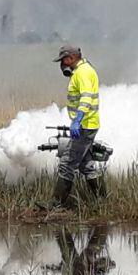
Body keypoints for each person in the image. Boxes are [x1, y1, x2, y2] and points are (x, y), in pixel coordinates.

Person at [48, 44, 102, 209]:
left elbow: (86, 98)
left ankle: (56, 205)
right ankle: (102, 201)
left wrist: (77, 120)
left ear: (70, 58)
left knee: (67, 164)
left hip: (85, 125)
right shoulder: (82, 70)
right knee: (86, 166)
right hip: (87, 124)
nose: (62, 64)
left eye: (63, 60)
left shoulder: (83, 73)